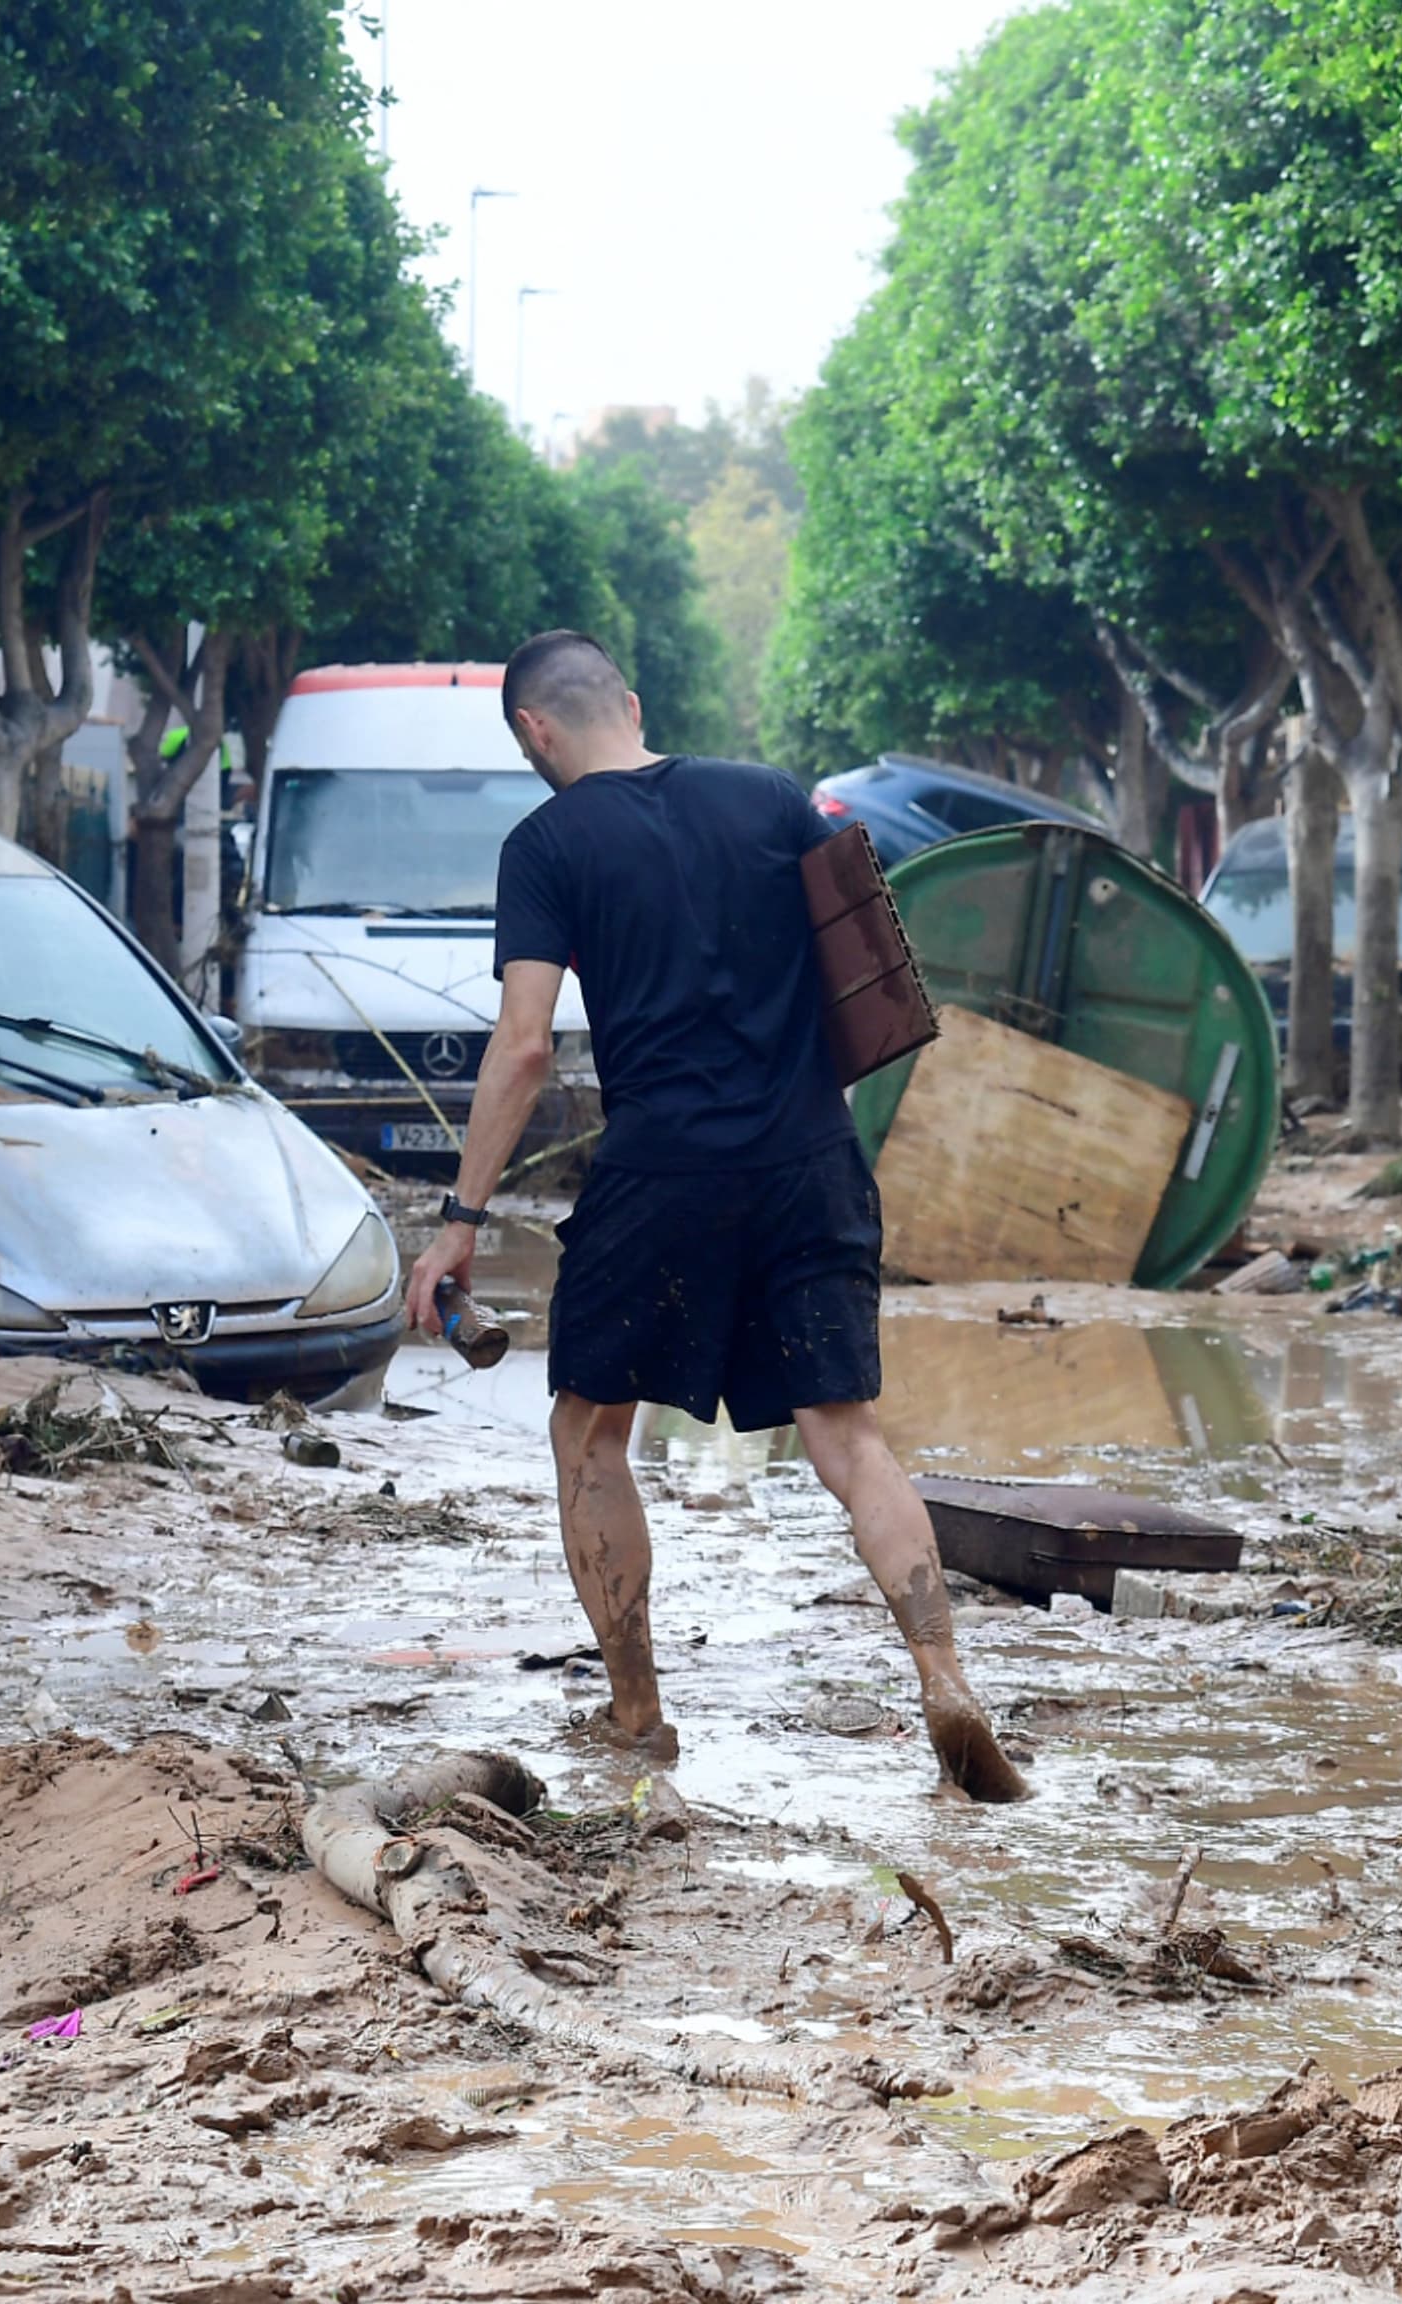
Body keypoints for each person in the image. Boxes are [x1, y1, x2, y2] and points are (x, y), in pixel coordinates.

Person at [402, 631, 1031, 1803]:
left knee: (591, 1430)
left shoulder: (544, 845)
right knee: (849, 1438)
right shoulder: (771, 797)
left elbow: (526, 1045)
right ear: (629, 704)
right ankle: (944, 1678)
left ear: (535, 732)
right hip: (809, 1154)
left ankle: (637, 1716)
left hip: (662, 1172)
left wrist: (460, 1220)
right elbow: (871, 978)